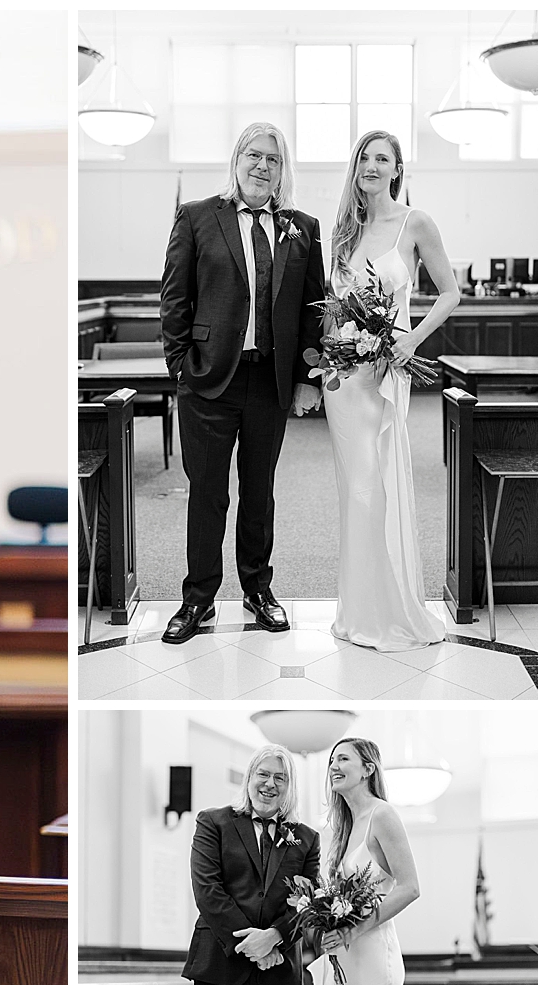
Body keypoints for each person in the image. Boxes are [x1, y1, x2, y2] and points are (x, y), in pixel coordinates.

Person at [159, 123, 325, 644]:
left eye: (273, 160)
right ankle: (198, 599)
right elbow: (173, 300)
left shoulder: (303, 227)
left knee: (260, 492)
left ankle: (257, 589)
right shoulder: (197, 217)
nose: (262, 166)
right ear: (236, 160)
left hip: (269, 381)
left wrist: (307, 379)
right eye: (254, 156)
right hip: (208, 380)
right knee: (207, 492)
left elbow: (311, 309)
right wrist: (182, 367)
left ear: (283, 170)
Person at [323, 130, 457, 651]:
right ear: (355, 167)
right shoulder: (342, 230)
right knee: (353, 492)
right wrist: (330, 358)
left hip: (386, 373)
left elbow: (450, 294)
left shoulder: (415, 221)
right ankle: (357, 611)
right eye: (365, 156)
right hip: (344, 380)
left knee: (381, 485)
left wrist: (410, 342)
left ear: (397, 170)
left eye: (383, 158)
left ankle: (395, 611)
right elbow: (333, 307)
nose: (372, 165)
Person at [182, 743, 322, 985]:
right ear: (249, 777)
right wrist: (255, 947)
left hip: (277, 974)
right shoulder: (213, 822)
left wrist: (274, 937)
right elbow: (207, 891)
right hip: (219, 968)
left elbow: (306, 904)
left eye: (280, 778)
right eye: (263, 774)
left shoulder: (307, 839)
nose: (270, 784)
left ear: (289, 787)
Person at [310, 738, 418, 985]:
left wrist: (353, 930)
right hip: (345, 956)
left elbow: (410, 888)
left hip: (373, 953)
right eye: (332, 760)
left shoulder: (382, 814)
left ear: (368, 769)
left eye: (343, 759)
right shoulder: (345, 826)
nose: (334, 766)